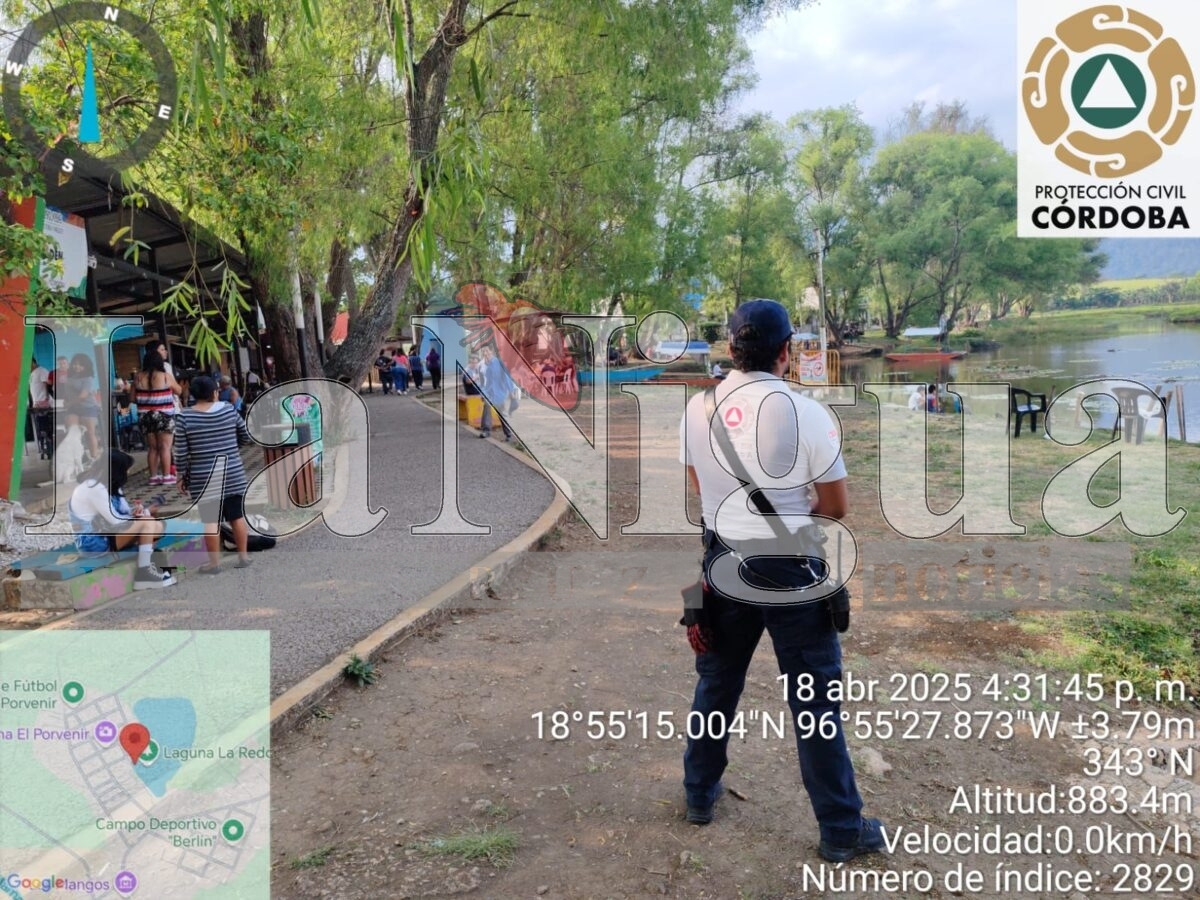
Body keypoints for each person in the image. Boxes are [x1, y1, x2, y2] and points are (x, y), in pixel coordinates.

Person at [677, 298, 885, 862]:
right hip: (792, 567)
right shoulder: (808, 413)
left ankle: (699, 793)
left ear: (729, 348)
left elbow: (702, 487)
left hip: (722, 563)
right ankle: (841, 829)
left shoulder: (698, 411)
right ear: (787, 351)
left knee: (717, 681)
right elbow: (836, 506)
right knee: (814, 702)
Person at [174, 376, 253, 573]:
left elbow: (181, 452)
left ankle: (214, 564)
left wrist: (181, 475)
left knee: (210, 520)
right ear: (214, 393)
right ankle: (243, 557)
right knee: (236, 517)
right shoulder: (228, 409)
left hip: (204, 477)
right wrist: (232, 449)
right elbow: (245, 435)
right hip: (232, 472)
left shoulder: (184, 417)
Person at [68, 449, 176, 589]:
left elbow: (123, 513)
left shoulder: (110, 486)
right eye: (125, 470)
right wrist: (143, 516)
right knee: (148, 524)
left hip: (108, 533)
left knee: (157, 527)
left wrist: (139, 511)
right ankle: (144, 573)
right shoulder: (93, 487)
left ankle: (147, 564)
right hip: (93, 543)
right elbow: (116, 521)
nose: (127, 474)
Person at [136, 344, 182, 485]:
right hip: (164, 415)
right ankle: (167, 476)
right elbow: (179, 391)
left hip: (145, 416)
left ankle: (153, 477)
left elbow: (132, 398)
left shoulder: (138, 377)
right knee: (165, 447)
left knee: (153, 448)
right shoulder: (166, 376)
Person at [63, 353, 102, 462]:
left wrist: (69, 403)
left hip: (87, 407)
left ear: (86, 367)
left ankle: (94, 458)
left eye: (80, 365)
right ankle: (79, 457)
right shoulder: (69, 377)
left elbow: (83, 396)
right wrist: (66, 401)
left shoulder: (88, 378)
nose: (77, 367)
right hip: (73, 408)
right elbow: (67, 392)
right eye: (75, 364)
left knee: (90, 434)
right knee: (72, 434)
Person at [478, 345, 515, 441]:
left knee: (501, 413)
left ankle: (509, 434)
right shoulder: (484, 365)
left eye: (486, 351)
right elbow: (484, 381)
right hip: (489, 392)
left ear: (492, 352)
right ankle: (486, 430)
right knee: (486, 407)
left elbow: (506, 377)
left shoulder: (499, 362)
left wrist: (511, 391)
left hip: (499, 392)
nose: (485, 353)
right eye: (483, 351)